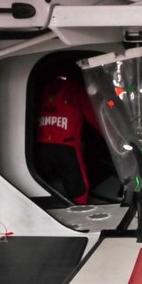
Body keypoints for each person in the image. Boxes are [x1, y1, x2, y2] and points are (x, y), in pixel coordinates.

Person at [32, 73, 102, 205]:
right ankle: (80, 214)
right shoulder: (75, 90)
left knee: (40, 182)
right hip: (66, 147)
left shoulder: (42, 89)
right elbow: (96, 119)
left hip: (40, 145)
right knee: (78, 189)